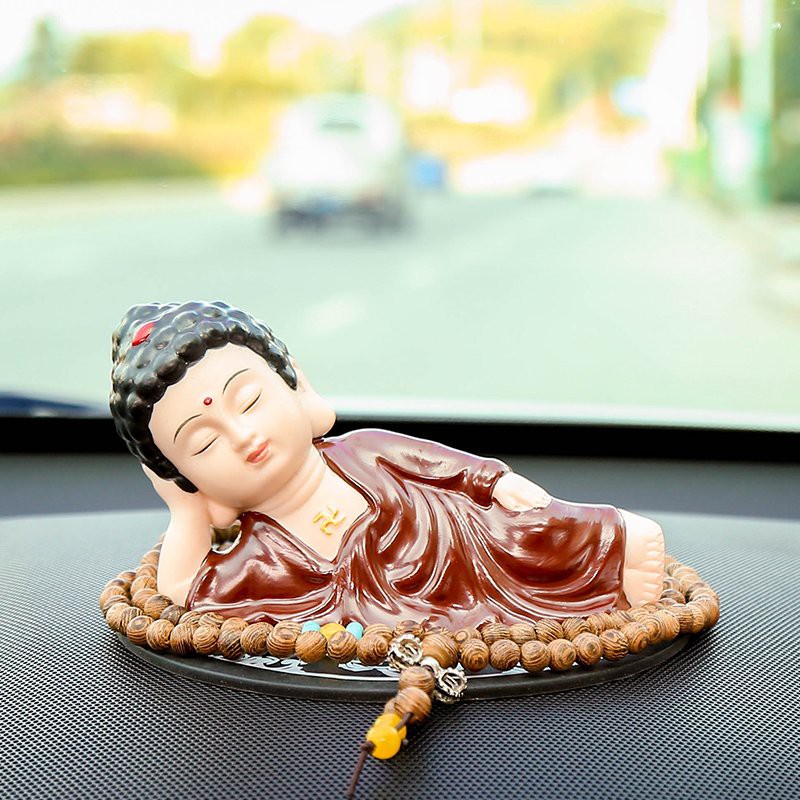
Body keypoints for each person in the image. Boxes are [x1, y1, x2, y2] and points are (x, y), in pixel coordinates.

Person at [110, 301, 665, 629]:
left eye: (250, 400)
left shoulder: (363, 449)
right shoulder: (261, 555)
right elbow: (182, 589)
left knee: (522, 531)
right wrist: (186, 511)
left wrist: (494, 480)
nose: (242, 436)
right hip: (369, 621)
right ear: (185, 476)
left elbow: (438, 464)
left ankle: (613, 546)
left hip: (457, 543)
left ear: (294, 384)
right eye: (203, 443)